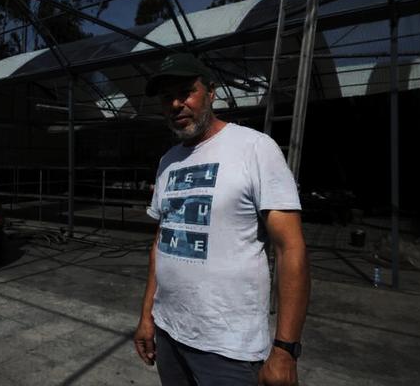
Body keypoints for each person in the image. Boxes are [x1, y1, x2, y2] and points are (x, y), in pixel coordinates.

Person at [133, 53, 310, 386]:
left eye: (186, 92)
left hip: (229, 349)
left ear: (211, 92)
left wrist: (285, 350)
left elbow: (291, 249)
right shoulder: (168, 161)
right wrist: (147, 317)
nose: (175, 104)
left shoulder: (255, 148)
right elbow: (161, 243)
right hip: (170, 335)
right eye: (166, 97)